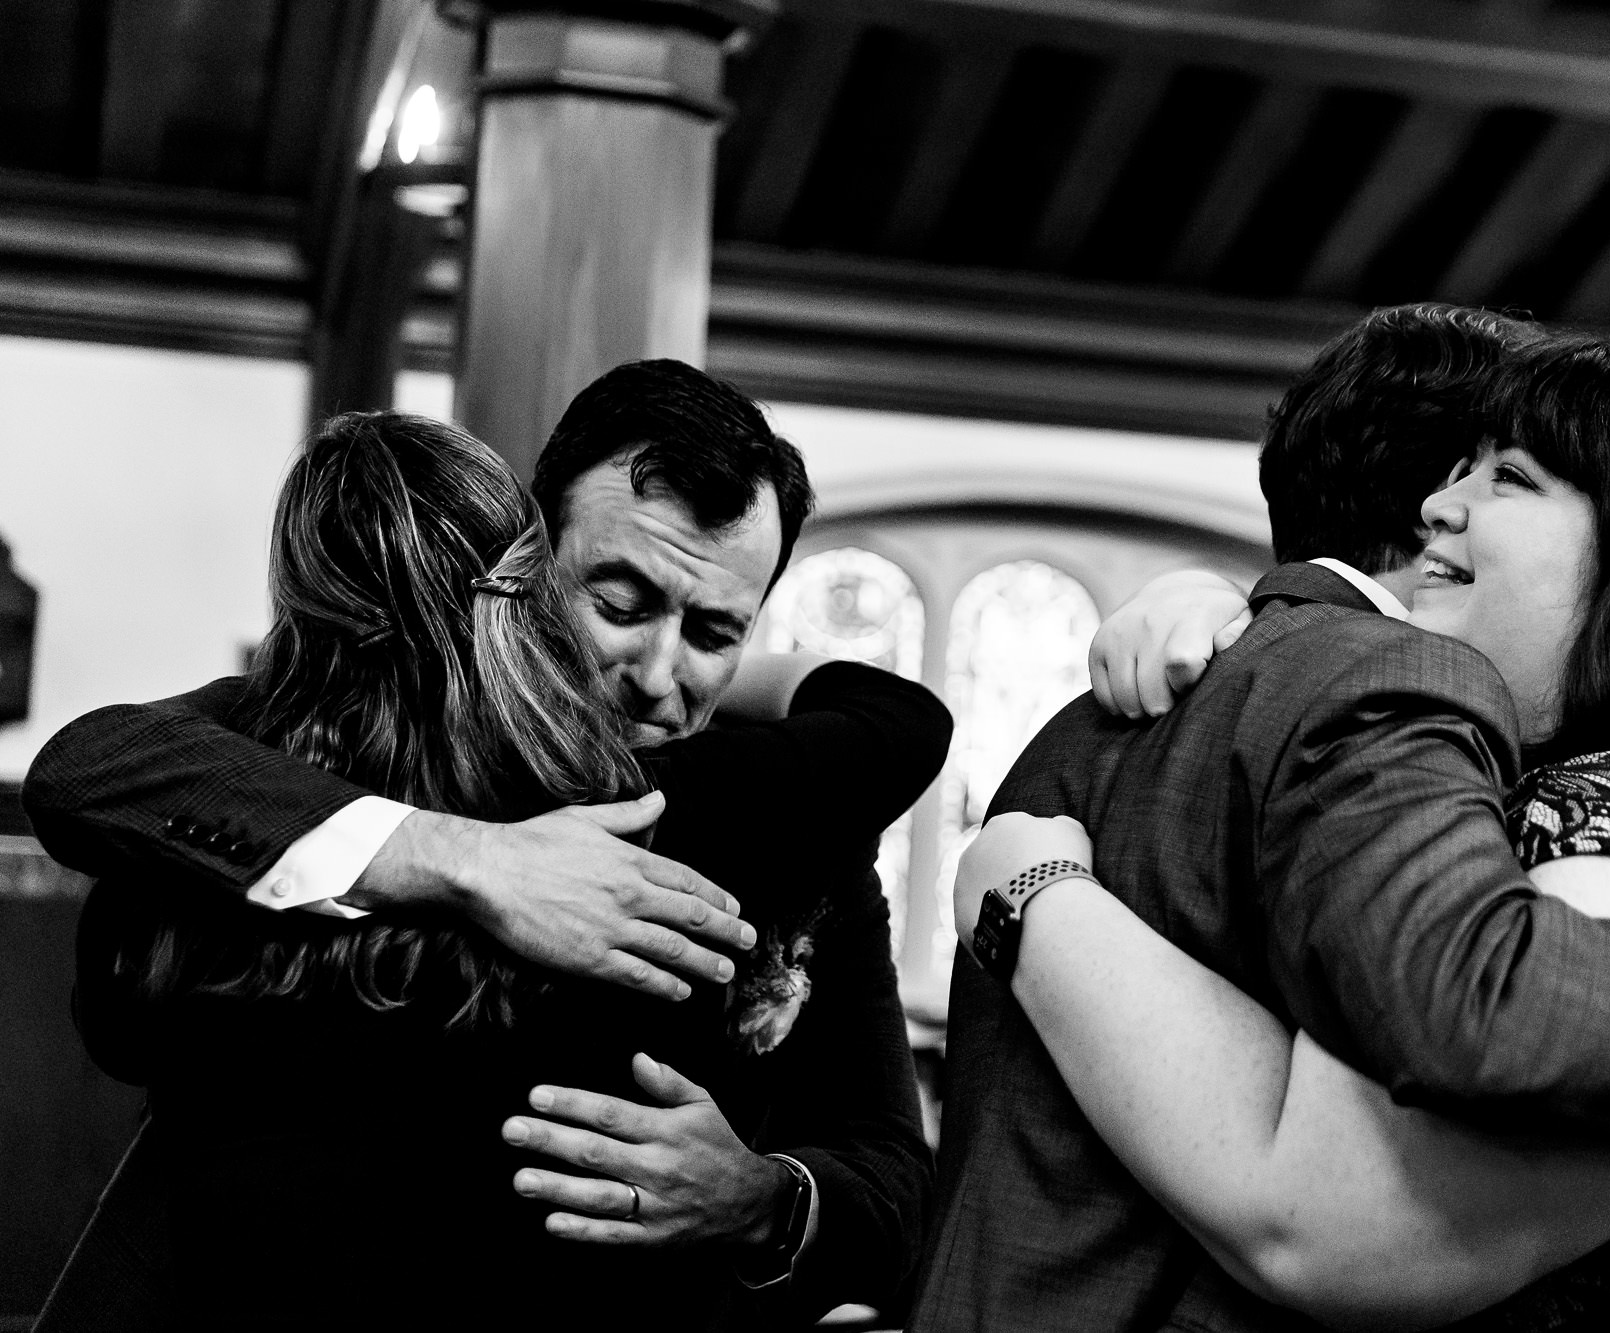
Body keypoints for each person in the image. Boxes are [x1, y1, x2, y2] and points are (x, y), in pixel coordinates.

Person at [911, 308, 1610, 1332]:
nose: (1436, 506)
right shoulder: (1540, 770)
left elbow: (1341, 1228)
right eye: (1456, 468)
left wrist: (1031, 895)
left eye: (1506, 476)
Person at [28, 364, 948, 1327]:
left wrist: (762, 1199)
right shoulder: (350, 748)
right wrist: (461, 856)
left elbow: (893, 1183)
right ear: (526, 568)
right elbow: (97, 762)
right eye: (621, 604)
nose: (657, 677)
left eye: (716, 630)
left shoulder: (787, 818)